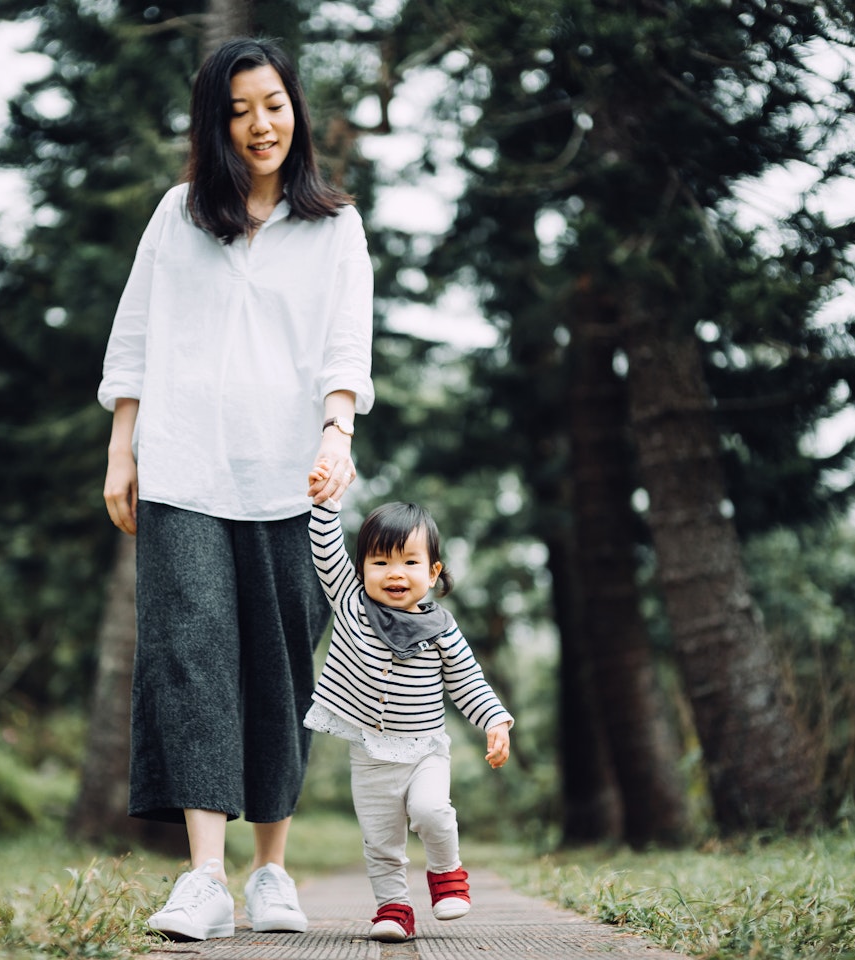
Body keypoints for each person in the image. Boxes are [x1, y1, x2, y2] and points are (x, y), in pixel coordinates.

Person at [97, 35, 373, 943]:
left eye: (275, 104)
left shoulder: (335, 227)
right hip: (182, 469)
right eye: (241, 110)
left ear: (296, 108)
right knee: (190, 655)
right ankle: (205, 877)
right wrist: (121, 450)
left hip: (290, 479)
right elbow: (134, 339)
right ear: (216, 125)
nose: (262, 125)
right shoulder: (177, 216)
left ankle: (271, 873)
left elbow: (346, 348)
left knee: (281, 664)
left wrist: (337, 434)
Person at [304, 480, 514, 943]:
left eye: (409, 562)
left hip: (424, 751)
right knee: (380, 841)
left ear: (433, 571)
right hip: (371, 752)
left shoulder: (441, 627)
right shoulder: (351, 603)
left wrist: (495, 720)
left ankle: (446, 874)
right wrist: (326, 502)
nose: (394, 573)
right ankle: (394, 910)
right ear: (361, 569)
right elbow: (324, 553)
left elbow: (466, 680)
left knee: (431, 809)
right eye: (380, 562)